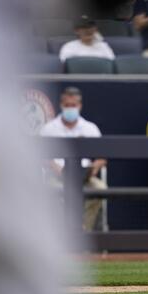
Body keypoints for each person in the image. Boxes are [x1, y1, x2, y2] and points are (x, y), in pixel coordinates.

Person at [40, 87, 108, 231]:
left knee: (100, 189)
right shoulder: (49, 128)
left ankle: (84, 233)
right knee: (51, 191)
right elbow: (40, 156)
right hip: (57, 178)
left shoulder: (90, 128)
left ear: (80, 106)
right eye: (67, 105)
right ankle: (64, 235)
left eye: (74, 105)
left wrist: (94, 168)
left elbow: (102, 158)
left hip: (85, 179)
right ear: (61, 105)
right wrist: (53, 166)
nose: (70, 108)